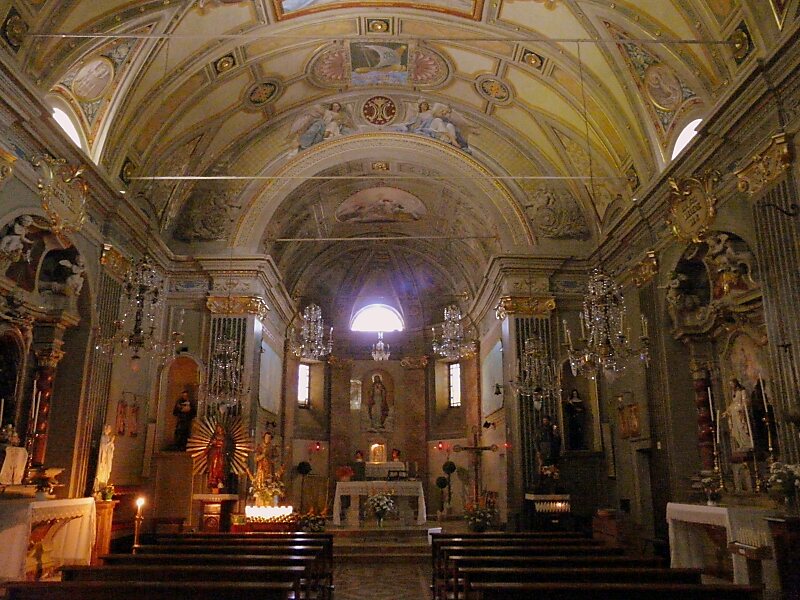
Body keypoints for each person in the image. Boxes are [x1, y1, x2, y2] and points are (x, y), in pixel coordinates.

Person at [726, 378, 754, 454]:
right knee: (736, 430)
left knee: (741, 428)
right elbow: (733, 403)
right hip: (734, 413)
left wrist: (742, 408)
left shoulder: (742, 391)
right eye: (730, 385)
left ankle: (747, 444)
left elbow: (745, 401)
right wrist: (728, 411)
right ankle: (741, 444)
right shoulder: (733, 392)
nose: (731, 386)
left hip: (740, 412)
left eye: (732, 384)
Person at [94, 424, 115, 491]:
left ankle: (103, 485)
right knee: (100, 471)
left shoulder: (108, 437)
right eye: (108, 428)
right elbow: (103, 447)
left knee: (105, 471)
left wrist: (111, 444)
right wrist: (110, 442)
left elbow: (111, 448)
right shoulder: (102, 437)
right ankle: (98, 486)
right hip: (102, 457)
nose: (109, 430)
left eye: (110, 429)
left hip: (106, 458)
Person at [206, 424, 226, 490]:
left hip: (221, 454)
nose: (219, 429)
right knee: (214, 467)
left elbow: (226, 445)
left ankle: (220, 479)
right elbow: (210, 444)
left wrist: (218, 443)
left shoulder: (225, 437)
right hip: (214, 454)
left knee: (221, 467)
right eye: (218, 428)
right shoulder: (214, 436)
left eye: (220, 428)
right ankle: (213, 480)